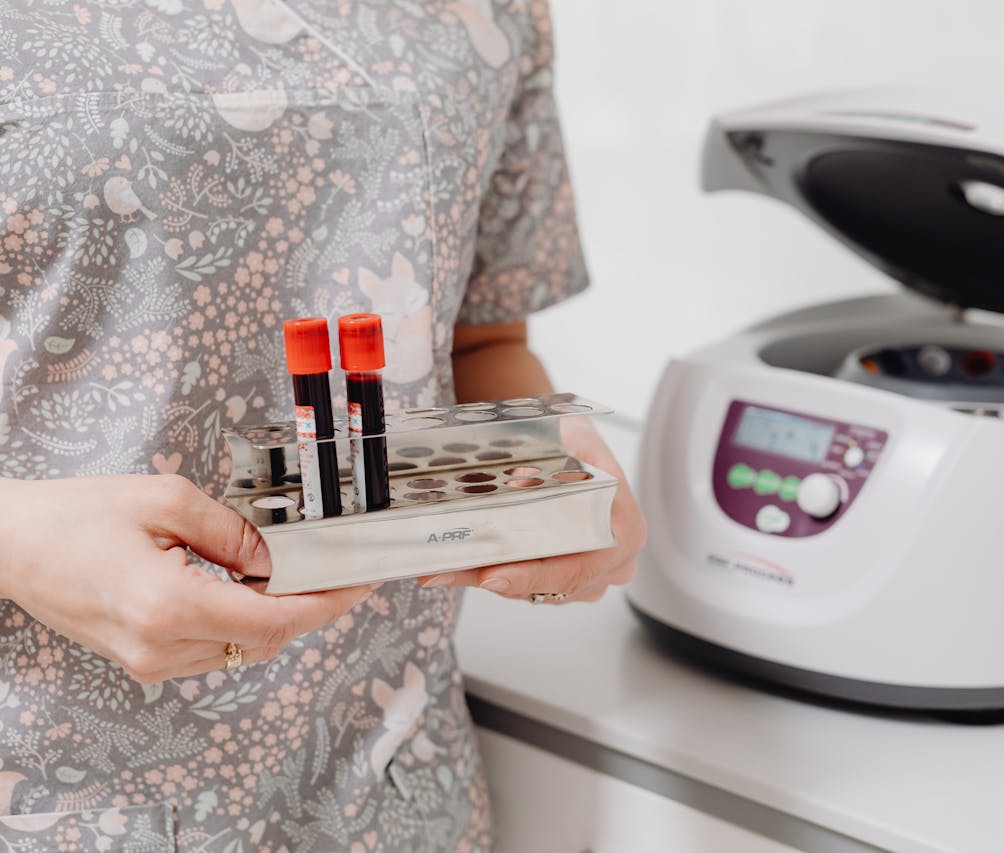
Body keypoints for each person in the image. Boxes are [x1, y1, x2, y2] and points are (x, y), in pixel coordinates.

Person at [0, 1, 645, 849]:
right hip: (52, 774)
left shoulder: (500, 10)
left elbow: (485, 338)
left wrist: (543, 465)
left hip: (393, 776)